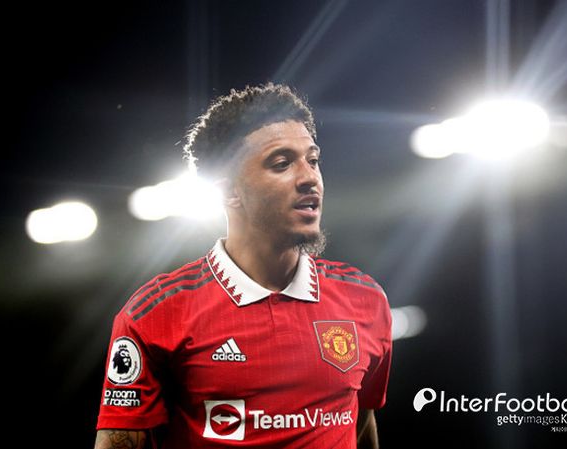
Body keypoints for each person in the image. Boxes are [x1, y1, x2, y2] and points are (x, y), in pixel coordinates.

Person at [94, 83, 392, 449]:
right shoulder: (155, 314)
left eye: (312, 160)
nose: (309, 178)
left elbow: (361, 423)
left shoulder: (365, 299)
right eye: (282, 163)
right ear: (229, 192)